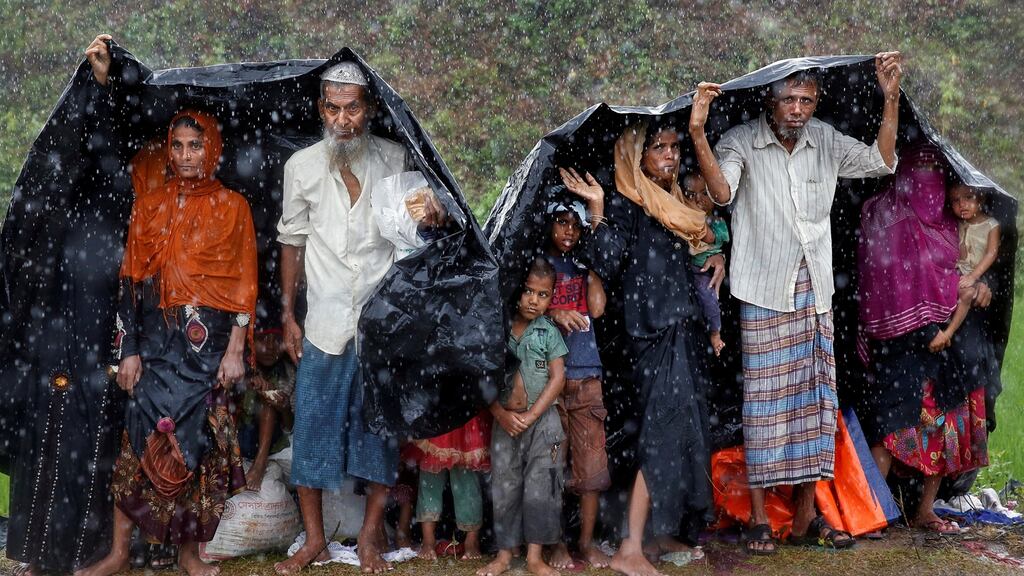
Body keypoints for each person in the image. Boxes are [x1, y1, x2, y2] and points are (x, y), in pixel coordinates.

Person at [687, 53, 902, 554]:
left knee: (814, 408)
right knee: (765, 408)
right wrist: (698, 132)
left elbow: (882, 161)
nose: (798, 109)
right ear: (769, 99)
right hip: (764, 292)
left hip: (815, 293)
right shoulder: (742, 140)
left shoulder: (824, 139)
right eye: (789, 99)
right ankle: (762, 519)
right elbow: (721, 193)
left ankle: (806, 519)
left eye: (806, 99)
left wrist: (889, 97)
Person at [274, 61, 447, 575]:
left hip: (379, 326)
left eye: (352, 108)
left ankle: (370, 539)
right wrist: (287, 313)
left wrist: (431, 216)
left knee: (378, 434)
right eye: (333, 108)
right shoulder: (301, 167)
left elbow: (417, 236)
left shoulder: (395, 162)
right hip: (323, 322)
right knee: (311, 431)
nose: (343, 119)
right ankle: (314, 541)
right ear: (321, 109)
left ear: (368, 109)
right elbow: (292, 241)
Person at [74, 103, 256, 576]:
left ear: (211, 148)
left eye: (195, 145)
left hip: (208, 348)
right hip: (154, 347)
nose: (185, 155)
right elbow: (130, 283)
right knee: (137, 443)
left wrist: (236, 350)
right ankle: (118, 554)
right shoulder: (148, 206)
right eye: (177, 146)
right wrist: (127, 351)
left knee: (199, 446)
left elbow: (243, 287)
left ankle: (190, 555)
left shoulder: (234, 207)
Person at [560, 117, 721, 576]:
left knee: (685, 434)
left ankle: (656, 532)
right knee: (661, 434)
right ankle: (630, 546)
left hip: (681, 329)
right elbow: (606, 261)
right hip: (651, 335)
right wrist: (596, 210)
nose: (670, 156)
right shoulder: (628, 204)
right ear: (636, 156)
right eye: (659, 149)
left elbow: (703, 237)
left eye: (673, 148)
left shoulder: (671, 203)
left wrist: (717, 255)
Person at [858, 142, 992, 535]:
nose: (929, 190)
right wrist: (920, 322)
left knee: (943, 426)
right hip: (897, 343)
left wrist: (977, 289)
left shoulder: (952, 226)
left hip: (946, 341)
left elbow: (967, 270)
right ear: (903, 179)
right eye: (921, 179)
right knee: (890, 427)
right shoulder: (883, 217)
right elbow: (880, 283)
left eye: (936, 179)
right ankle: (874, 511)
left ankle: (924, 510)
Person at [477, 257, 567, 576]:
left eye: (543, 294)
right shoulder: (496, 331)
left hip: (544, 423)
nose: (533, 299)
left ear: (551, 297)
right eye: (528, 291)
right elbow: (482, 381)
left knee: (542, 485)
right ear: (517, 289)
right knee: (505, 486)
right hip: (505, 423)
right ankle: (503, 555)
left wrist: (532, 415)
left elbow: (558, 378)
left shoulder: (548, 333)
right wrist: (500, 414)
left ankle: (534, 557)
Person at [537, 193, 612, 570]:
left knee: (591, 468)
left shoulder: (584, 264)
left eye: (575, 225)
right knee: (551, 465)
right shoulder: (538, 262)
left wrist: (593, 265)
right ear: (549, 223)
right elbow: (525, 305)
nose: (568, 231)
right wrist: (556, 311)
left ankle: (586, 542)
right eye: (562, 222)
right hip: (549, 377)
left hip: (586, 374)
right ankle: (557, 544)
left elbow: (596, 308)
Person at [927, 184, 1001, 352]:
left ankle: (949, 332)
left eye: (968, 197)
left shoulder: (991, 225)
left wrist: (974, 277)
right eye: (956, 200)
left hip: (973, 273)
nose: (962, 204)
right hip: (954, 272)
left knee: (967, 294)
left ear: (980, 199)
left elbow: (991, 254)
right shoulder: (955, 223)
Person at [408, 410, 490, 561]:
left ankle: (471, 541)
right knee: (431, 476)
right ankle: (428, 540)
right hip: (437, 408)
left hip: (462, 409)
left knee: (465, 479)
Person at [240, 328, 295, 491]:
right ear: (250, 340)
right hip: (240, 437)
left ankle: (260, 463)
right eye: (263, 339)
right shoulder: (238, 365)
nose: (270, 347)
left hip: (270, 443)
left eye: (277, 340)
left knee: (267, 402)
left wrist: (283, 408)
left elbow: (289, 428)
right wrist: (247, 385)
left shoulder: (288, 373)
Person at [680, 174, 729, 356]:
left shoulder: (716, 222)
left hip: (703, 272)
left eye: (704, 194)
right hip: (684, 271)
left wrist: (692, 216)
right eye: (691, 194)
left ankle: (715, 332)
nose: (698, 199)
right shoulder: (680, 217)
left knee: (708, 296)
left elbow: (708, 237)